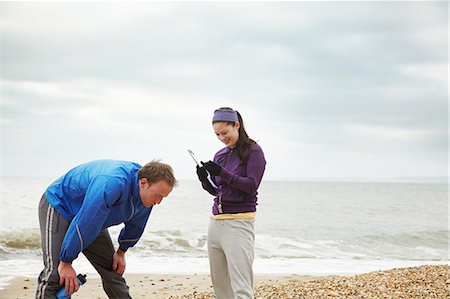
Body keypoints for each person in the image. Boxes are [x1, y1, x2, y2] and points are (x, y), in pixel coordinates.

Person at [36, 159, 176, 299]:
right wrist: (66, 262)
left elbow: (136, 226)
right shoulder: (112, 183)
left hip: (93, 216)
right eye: (158, 195)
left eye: (163, 197)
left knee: (113, 270)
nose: (158, 202)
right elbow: (86, 222)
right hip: (60, 204)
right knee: (56, 273)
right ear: (143, 183)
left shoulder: (146, 198)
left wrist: (121, 251)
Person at [196, 107, 266, 299]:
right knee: (220, 286)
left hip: (239, 223)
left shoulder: (254, 152)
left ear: (237, 125)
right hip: (216, 222)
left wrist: (222, 173)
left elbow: (251, 186)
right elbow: (217, 191)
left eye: (225, 132)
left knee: (241, 286)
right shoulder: (220, 154)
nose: (221, 138)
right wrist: (204, 179)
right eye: (217, 134)